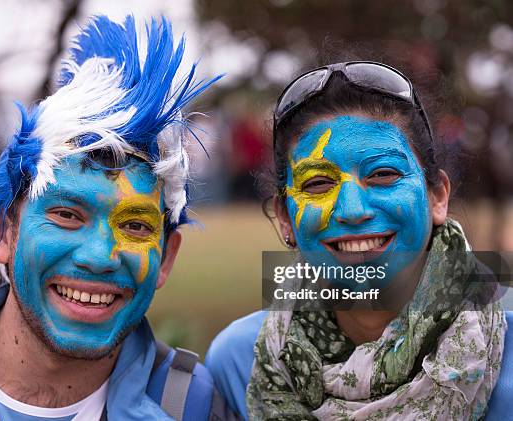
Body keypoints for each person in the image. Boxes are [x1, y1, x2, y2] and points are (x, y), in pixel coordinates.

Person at [0, 15, 234, 421]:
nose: (99, 255)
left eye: (135, 226)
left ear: (165, 258)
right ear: (2, 230)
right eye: (66, 214)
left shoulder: (191, 406)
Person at [206, 62, 512, 420]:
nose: (352, 210)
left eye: (383, 174)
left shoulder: (506, 356)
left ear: (437, 198)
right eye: (318, 183)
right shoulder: (240, 363)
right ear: (286, 218)